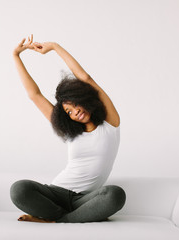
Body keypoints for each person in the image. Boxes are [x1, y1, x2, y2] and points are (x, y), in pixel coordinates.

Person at [10, 34, 126, 223]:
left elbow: (86, 78)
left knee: (115, 194)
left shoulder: (110, 124)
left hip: (85, 200)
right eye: (69, 111)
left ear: (85, 99)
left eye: (75, 104)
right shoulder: (71, 132)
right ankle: (64, 217)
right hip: (55, 194)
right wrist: (16, 56)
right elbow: (34, 94)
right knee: (19, 190)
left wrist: (55, 47)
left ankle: (57, 219)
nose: (75, 112)